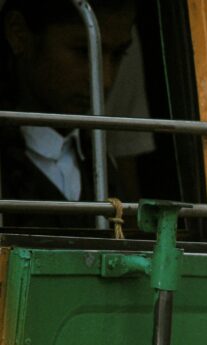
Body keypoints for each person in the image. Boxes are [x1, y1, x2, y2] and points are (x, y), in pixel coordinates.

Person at [0, 0, 135, 229]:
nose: (105, 80)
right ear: (18, 34)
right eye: (84, 52)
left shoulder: (100, 163)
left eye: (118, 55)